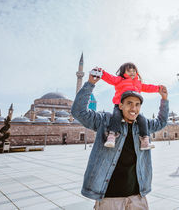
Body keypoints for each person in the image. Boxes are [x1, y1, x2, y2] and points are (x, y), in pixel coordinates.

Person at [71, 70, 169, 209]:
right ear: (120, 105)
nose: (133, 108)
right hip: (110, 198)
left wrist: (164, 99)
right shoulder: (106, 121)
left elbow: (161, 122)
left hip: (137, 197)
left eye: (137, 104)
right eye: (129, 103)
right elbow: (78, 112)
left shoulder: (143, 126)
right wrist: (90, 84)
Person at [96, 63, 161, 150]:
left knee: (142, 119)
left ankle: (144, 140)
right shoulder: (120, 80)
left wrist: (158, 88)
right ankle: (112, 136)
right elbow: (110, 78)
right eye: (129, 70)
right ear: (123, 72)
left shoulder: (138, 83)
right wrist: (102, 72)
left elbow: (148, 87)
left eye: (134, 70)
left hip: (133, 108)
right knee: (116, 116)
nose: (132, 72)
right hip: (120, 105)